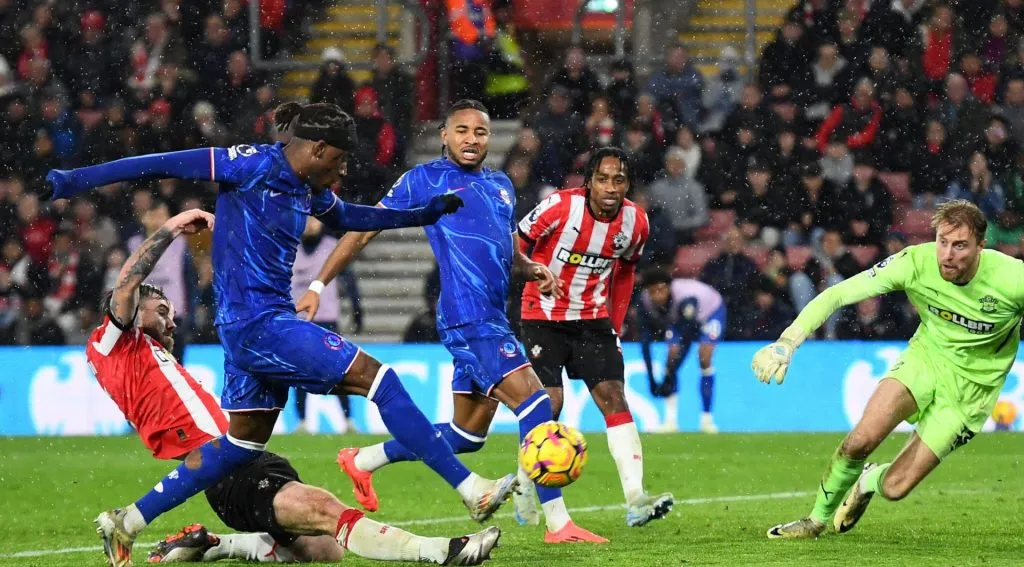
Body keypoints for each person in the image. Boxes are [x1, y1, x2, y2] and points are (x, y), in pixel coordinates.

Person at [44, 101, 516, 567]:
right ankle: (468, 487)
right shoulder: (247, 165)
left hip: (250, 331)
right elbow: (157, 163)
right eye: (341, 159)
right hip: (260, 324)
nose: (345, 169)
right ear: (318, 149)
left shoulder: (308, 187)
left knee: (238, 445)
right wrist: (72, 181)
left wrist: (420, 214)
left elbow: (352, 216)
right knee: (380, 380)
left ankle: (127, 521)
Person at [85, 207, 500, 565]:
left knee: (324, 549)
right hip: (226, 474)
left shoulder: (141, 351)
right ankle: (442, 551)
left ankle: (213, 544)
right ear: (132, 308)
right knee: (325, 509)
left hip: (244, 454)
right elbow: (126, 285)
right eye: (162, 311)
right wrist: (173, 226)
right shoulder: (113, 340)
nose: (171, 321)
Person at [295, 99, 606, 544]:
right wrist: (318, 286)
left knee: (466, 435)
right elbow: (364, 229)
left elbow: (500, 247)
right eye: (461, 130)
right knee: (537, 405)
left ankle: (363, 461)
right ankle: (559, 524)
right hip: (469, 317)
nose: (471, 139)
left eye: (479, 132)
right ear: (444, 135)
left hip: (492, 316)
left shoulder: (500, 185)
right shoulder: (425, 179)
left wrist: (530, 267)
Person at [752, 200, 1024, 539]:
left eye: (960, 245)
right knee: (859, 440)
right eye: (942, 241)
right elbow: (839, 294)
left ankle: (868, 480)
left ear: (981, 246)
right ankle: (815, 521)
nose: (947, 254)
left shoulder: (1013, 279)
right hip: (926, 361)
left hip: (971, 393)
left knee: (895, 488)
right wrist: (788, 341)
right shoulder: (914, 262)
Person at [515, 146, 675, 527]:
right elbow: (515, 246)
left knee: (614, 398)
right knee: (548, 404)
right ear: (588, 182)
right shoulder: (557, 207)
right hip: (543, 315)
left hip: (592, 320)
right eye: (602, 179)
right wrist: (533, 271)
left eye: (619, 180)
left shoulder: (636, 223)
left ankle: (636, 499)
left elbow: (624, 273)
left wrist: (614, 325)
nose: (610, 187)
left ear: (628, 185)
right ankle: (524, 485)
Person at [290, 216, 359, 434]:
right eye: (307, 219)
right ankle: (302, 421)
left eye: (315, 219)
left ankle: (348, 420)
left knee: (337, 370)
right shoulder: (289, 247)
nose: (311, 223)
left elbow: (349, 280)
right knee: (298, 372)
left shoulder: (332, 247)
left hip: (327, 318)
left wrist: (358, 311)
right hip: (298, 319)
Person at [636, 269, 724, 434]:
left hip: (710, 311)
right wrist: (651, 380)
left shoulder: (686, 298)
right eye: (652, 291)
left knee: (704, 358)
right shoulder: (645, 301)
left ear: (669, 288)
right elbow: (645, 341)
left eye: (661, 290)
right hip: (679, 318)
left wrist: (669, 376)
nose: (657, 296)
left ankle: (707, 420)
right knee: (670, 358)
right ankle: (670, 422)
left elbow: (687, 338)